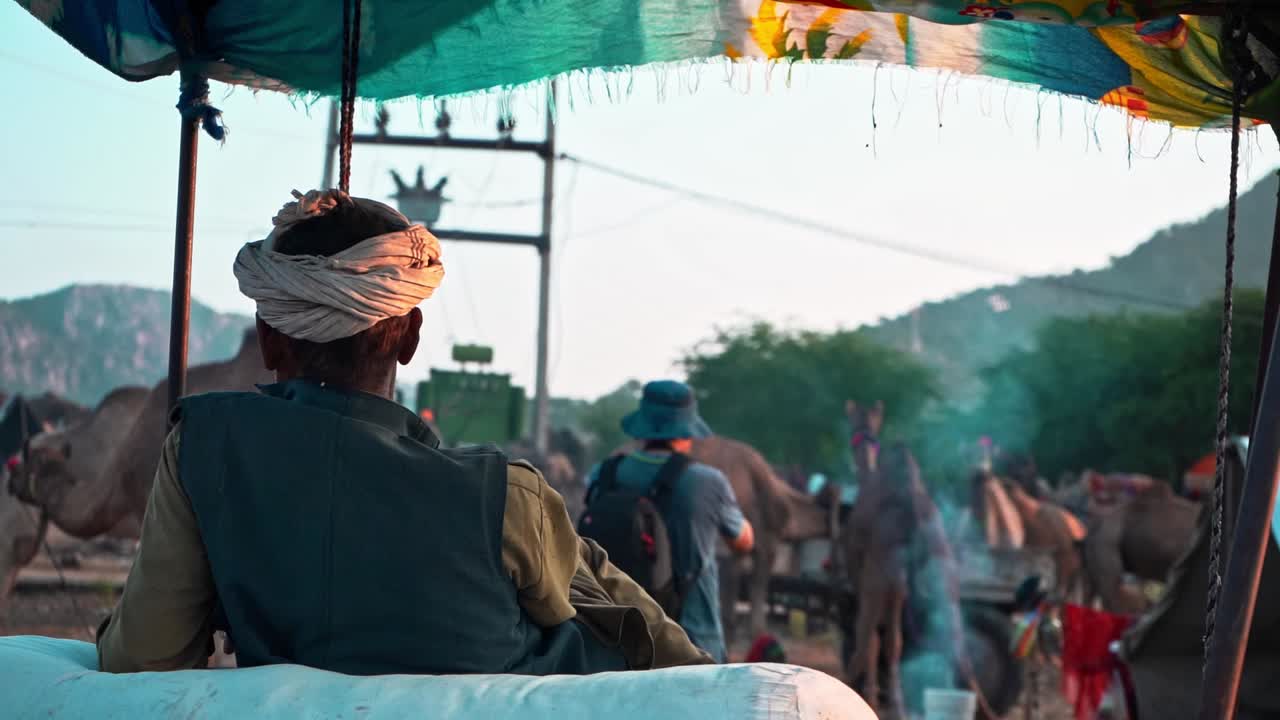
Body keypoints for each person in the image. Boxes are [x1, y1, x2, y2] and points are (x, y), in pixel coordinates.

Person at [96, 189, 710, 675]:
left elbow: (147, 653)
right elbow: (570, 609)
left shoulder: (202, 448)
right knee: (588, 578)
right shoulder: (506, 496)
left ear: (269, 340)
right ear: (411, 338)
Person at [584, 381, 753, 663]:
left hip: (615, 639)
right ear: (687, 432)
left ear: (641, 427)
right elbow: (743, 541)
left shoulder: (603, 475)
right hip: (693, 642)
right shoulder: (708, 482)